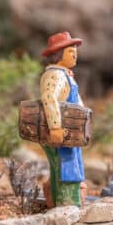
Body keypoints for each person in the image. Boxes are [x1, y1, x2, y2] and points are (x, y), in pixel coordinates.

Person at [39, 32, 86, 207]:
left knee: (66, 165)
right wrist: (55, 127)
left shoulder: (65, 75)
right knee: (67, 168)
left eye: (75, 52)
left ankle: (59, 200)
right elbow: (49, 97)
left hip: (71, 133)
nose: (75, 55)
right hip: (62, 133)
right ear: (59, 54)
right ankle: (68, 204)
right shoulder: (55, 75)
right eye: (70, 52)